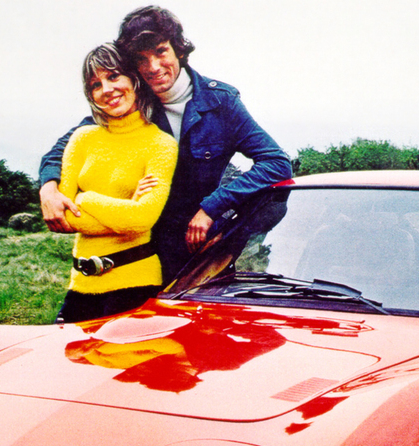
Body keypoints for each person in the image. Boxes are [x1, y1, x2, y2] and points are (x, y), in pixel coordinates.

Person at [39, 5, 292, 284]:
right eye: (141, 59)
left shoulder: (221, 102)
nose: (153, 67)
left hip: (198, 251)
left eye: (160, 52)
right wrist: (48, 188)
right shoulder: (131, 98)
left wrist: (212, 208)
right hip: (138, 250)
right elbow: (66, 145)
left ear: (178, 49)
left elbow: (276, 163)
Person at [54, 43, 178, 323]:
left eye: (113, 76)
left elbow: (142, 219)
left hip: (136, 283)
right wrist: (126, 208)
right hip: (80, 284)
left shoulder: (161, 144)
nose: (106, 89)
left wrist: (85, 198)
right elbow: (65, 216)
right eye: (95, 84)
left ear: (134, 80)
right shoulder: (82, 138)